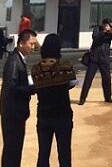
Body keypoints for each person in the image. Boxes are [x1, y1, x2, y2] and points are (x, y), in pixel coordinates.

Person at [31, 33, 76, 167]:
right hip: (62, 114)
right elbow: (72, 82)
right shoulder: (65, 67)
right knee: (64, 153)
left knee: (43, 153)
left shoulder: (35, 69)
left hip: (44, 115)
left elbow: (36, 86)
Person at [0, 29, 37, 167]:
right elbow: (12, 88)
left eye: (34, 44)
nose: (33, 47)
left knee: (15, 150)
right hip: (12, 114)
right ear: (21, 43)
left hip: (17, 113)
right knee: (12, 150)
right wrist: (32, 88)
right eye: (31, 44)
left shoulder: (19, 59)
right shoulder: (14, 61)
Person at [79, 18, 112, 104]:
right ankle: (82, 98)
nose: (108, 27)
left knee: (107, 79)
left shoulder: (110, 33)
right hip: (94, 58)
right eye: (107, 25)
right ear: (104, 24)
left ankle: (108, 97)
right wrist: (104, 32)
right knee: (88, 79)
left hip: (104, 59)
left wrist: (111, 32)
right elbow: (95, 38)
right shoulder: (97, 30)